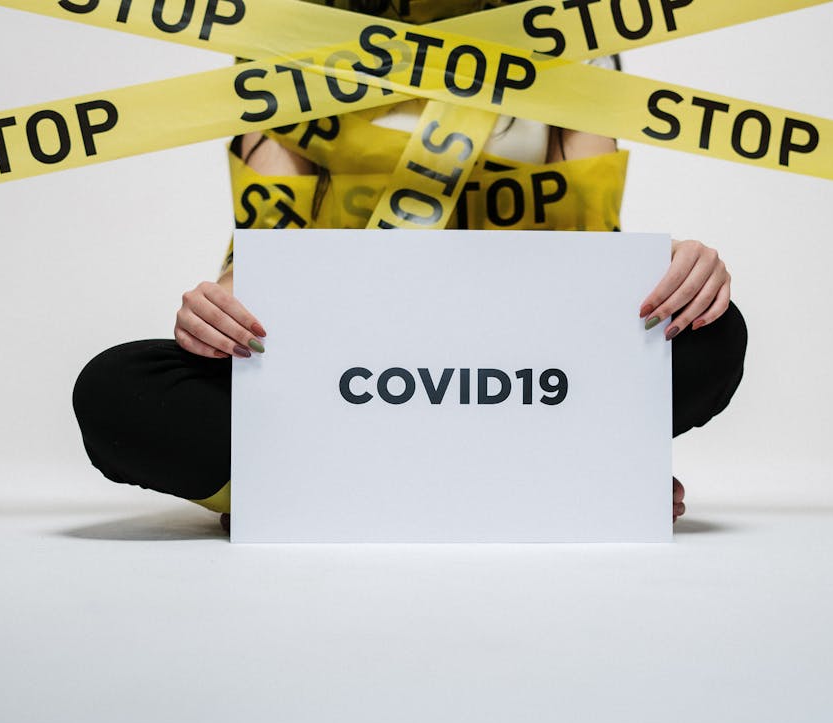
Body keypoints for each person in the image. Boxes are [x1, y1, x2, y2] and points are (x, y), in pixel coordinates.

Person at [72, 1, 747, 530]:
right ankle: (531, 483)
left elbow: (591, 250)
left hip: (510, 372)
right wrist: (217, 307)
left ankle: (330, 492)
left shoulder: (571, 40)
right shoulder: (289, 44)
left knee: (714, 335)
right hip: (343, 375)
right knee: (118, 390)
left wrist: (674, 274)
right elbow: (266, 250)